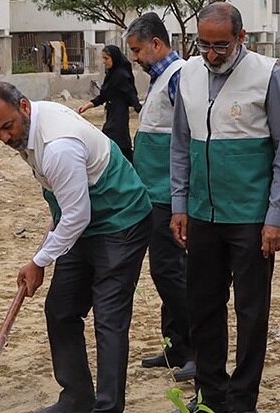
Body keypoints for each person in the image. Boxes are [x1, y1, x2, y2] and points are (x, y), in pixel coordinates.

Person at [0, 82, 152, 413]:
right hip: (84, 223)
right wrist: (48, 246)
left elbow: (76, 214)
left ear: (24, 106)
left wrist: (39, 260)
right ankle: (76, 396)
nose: (5, 137)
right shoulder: (30, 131)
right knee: (60, 309)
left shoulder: (57, 145)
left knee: (109, 318)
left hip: (121, 221)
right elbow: (68, 209)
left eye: (8, 126)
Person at [168, 2, 280, 413]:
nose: (212, 55)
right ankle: (211, 395)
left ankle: (243, 402)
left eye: (221, 45)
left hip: (252, 217)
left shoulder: (269, 75)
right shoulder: (188, 75)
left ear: (241, 39)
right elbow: (181, 145)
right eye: (204, 45)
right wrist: (180, 204)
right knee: (203, 306)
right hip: (202, 213)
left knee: (251, 311)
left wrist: (275, 215)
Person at [125, 12, 195, 381]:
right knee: (166, 272)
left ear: (156, 44)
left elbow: (187, 139)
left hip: (170, 195)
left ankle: (195, 349)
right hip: (153, 191)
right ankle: (175, 347)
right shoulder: (160, 78)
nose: (134, 58)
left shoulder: (178, 76)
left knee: (170, 271)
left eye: (137, 50)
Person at [78, 45, 141, 162]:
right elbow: (104, 96)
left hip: (119, 115)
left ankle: (130, 167)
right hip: (111, 114)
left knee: (117, 143)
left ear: (114, 58)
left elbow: (131, 94)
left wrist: (141, 111)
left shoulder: (122, 75)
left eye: (106, 59)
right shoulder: (112, 74)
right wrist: (88, 105)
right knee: (114, 143)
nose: (104, 62)